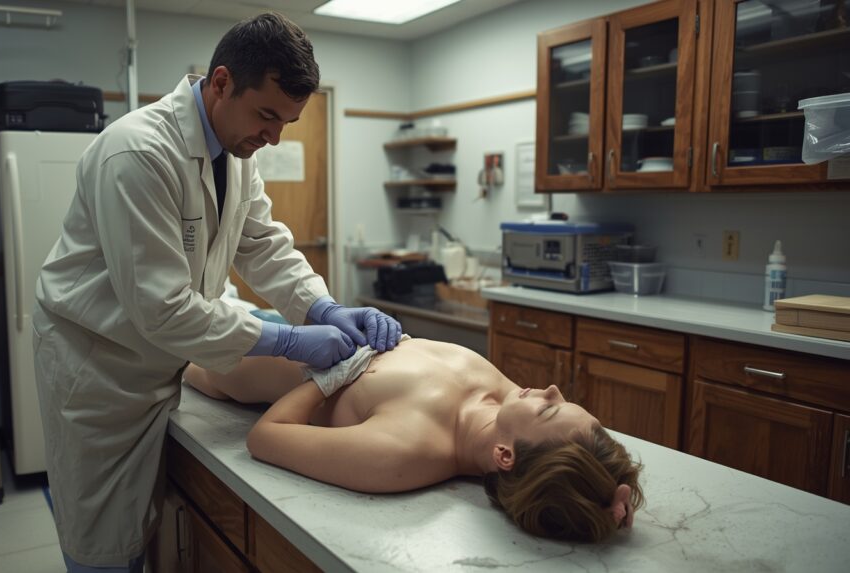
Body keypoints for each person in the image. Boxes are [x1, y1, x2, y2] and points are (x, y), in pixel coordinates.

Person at [32, 12, 402, 572]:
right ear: (222, 82)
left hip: (158, 358)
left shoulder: (235, 152)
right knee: (103, 544)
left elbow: (263, 244)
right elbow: (163, 309)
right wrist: (288, 341)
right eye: (267, 116)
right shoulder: (137, 153)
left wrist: (321, 305)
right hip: (101, 370)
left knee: (146, 527)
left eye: (288, 122)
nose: (274, 136)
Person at [183, 337, 644, 542]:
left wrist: (332, 377)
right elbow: (576, 473)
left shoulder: (409, 450)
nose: (550, 389)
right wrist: (600, 492)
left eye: (548, 408)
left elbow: (266, 437)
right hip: (293, 315)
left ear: (505, 455)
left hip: (231, 365)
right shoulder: (501, 402)